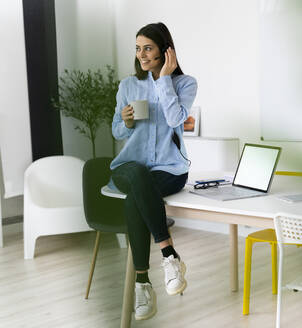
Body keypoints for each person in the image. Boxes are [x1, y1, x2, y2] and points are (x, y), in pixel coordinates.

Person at [110, 22, 197, 321]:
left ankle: (142, 285)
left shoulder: (185, 84)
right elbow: (117, 131)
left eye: (148, 47)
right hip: (128, 166)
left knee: (138, 193)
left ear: (165, 50)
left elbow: (176, 120)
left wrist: (164, 80)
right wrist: (126, 121)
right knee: (136, 176)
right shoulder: (127, 86)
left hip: (170, 169)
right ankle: (169, 256)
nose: (141, 54)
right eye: (138, 48)